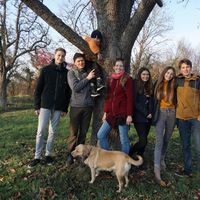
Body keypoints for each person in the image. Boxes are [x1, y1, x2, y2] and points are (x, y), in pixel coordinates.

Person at [28, 47, 71, 167]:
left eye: (62, 56)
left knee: (53, 131)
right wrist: (37, 106)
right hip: (45, 105)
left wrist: (64, 108)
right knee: (41, 131)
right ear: (55, 55)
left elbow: (68, 93)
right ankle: (37, 156)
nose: (60, 57)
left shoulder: (67, 73)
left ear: (64, 57)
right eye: (58, 55)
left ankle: (48, 154)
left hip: (58, 107)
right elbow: (38, 89)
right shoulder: (46, 70)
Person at [97, 58, 133, 154]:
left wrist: (129, 115)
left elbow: (130, 98)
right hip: (111, 114)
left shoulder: (127, 79)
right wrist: (105, 112)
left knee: (124, 139)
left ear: (123, 67)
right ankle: (109, 158)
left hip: (122, 114)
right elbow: (108, 98)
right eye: (117, 65)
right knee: (100, 135)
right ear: (114, 67)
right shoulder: (110, 80)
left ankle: (124, 163)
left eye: (121, 66)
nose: (118, 67)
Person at [66, 53, 95, 165]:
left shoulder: (89, 71)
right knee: (73, 133)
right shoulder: (71, 73)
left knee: (83, 133)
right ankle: (70, 155)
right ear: (75, 63)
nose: (81, 62)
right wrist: (87, 78)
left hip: (88, 107)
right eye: (78, 61)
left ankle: (79, 155)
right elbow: (75, 87)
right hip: (76, 107)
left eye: (82, 60)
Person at [174, 58, 200, 177]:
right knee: (185, 146)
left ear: (191, 67)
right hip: (181, 119)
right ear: (180, 69)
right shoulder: (177, 80)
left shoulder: (198, 80)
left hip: (195, 118)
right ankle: (187, 170)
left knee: (198, 145)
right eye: (183, 67)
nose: (185, 69)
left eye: (187, 67)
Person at [153, 66, 176, 186]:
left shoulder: (175, 85)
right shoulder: (157, 83)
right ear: (164, 72)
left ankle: (162, 159)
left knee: (167, 139)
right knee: (159, 141)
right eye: (168, 72)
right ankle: (156, 170)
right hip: (160, 113)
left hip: (172, 113)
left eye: (172, 74)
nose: (169, 75)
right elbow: (152, 99)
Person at [129, 67, 153, 160]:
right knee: (143, 141)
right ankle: (129, 154)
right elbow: (135, 102)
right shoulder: (135, 85)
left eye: (147, 74)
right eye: (143, 74)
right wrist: (146, 112)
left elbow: (151, 101)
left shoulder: (149, 85)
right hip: (139, 117)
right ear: (140, 75)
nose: (145, 76)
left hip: (149, 117)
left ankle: (140, 157)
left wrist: (150, 112)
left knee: (145, 140)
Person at [83, 30, 105, 97]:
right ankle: (97, 85)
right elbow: (92, 44)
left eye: (99, 39)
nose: (98, 40)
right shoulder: (91, 40)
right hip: (86, 61)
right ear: (95, 37)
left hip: (90, 61)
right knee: (94, 71)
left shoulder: (97, 44)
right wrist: (98, 53)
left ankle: (94, 89)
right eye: (97, 38)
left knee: (93, 74)